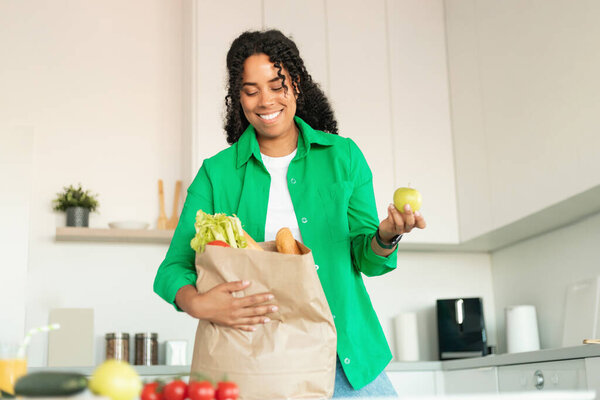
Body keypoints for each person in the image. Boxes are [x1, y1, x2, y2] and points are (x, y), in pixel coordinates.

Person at [153, 29, 426, 398]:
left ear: (296, 85)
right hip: (257, 363)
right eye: (251, 90)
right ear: (239, 97)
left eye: (277, 85)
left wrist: (387, 235)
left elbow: (369, 259)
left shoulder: (342, 156)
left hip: (344, 361)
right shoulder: (217, 174)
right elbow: (173, 268)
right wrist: (200, 304)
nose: (265, 100)